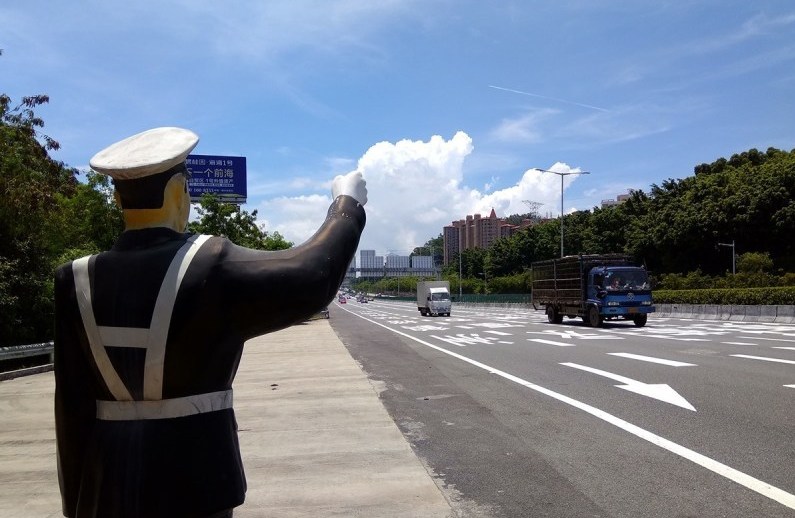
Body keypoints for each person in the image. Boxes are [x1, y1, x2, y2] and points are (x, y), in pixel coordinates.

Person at [53, 127, 367, 518]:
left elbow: (70, 409)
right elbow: (312, 275)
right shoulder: (210, 263)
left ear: (118, 198)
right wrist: (347, 205)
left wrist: (75, 503)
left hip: (108, 488)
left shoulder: (74, 278)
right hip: (200, 485)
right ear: (178, 191)